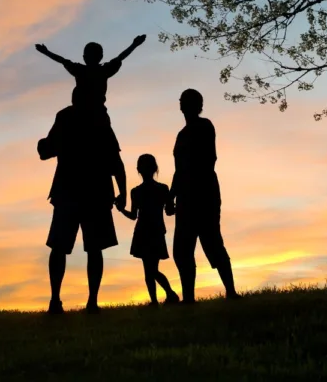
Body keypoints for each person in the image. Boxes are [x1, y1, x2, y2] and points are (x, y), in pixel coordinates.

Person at [37, 95, 128, 315]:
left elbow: (46, 151)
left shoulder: (67, 117)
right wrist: (123, 191)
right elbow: (115, 160)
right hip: (94, 192)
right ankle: (90, 301)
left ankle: (57, 300)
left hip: (70, 191)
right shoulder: (99, 118)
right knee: (92, 249)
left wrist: (42, 144)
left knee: (61, 247)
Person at [166, 89, 240, 304]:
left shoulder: (205, 126)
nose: (183, 105)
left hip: (204, 192)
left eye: (187, 102)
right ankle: (189, 298)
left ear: (197, 105)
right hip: (186, 196)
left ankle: (231, 291)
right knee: (183, 249)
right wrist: (172, 196)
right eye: (182, 101)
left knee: (212, 242)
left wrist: (183, 188)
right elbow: (178, 170)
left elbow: (209, 159)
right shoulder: (181, 135)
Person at [35, 35, 146, 156]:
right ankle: (51, 147)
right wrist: (134, 44)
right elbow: (120, 57)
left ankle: (50, 147)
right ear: (100, 57)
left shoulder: (83, 69)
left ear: (85, 57)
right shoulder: (101, 70)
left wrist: (46, 52)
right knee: (64, 116)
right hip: (92, 112)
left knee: (62, 116)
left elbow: (62, 60)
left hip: (86, 111)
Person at [117, 154, 181, 306]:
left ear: (138, 170)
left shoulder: (136, 191)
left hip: (143, 232)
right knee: (151, 269)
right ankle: (162, 298)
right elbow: (169, 211)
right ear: (155, 168)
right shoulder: (162, 189)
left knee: (149, 270)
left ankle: (164, 297)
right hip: (156, 231)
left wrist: (121, 210)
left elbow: (133, 216)